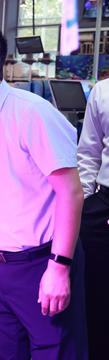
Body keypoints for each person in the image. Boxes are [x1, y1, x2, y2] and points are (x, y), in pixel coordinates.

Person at [0, 23, 87, 360]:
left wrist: (59, 267)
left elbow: (71, 193)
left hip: (41, 262)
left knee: (54, 351)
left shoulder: (31, 114)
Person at [76, 78, 109, 359]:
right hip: (102, 205)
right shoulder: (103, 91)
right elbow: (88, 153)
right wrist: (83, 204)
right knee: (96, 299)